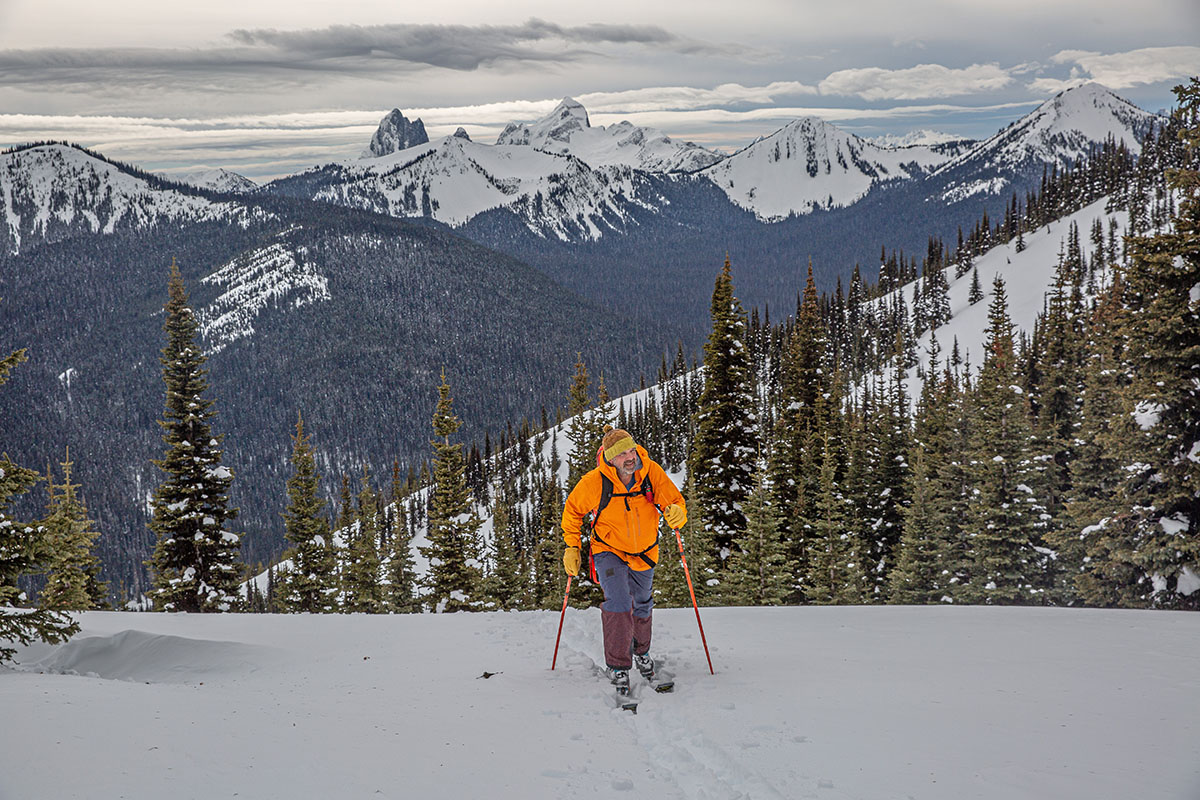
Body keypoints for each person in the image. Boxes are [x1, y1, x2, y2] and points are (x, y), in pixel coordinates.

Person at [561, 425, 686, 694]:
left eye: (632, 450)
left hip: (645, 550)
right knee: (618, 602)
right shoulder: (595, 481)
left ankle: (642, 654)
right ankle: (618, 667)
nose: (630, 457)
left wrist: (677, 513)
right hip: (609, 550)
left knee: (642, 602)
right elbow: (572, 511)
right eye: (622, 454)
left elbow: (674, 500)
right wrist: (572, 547)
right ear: (610, 458)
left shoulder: (650, 472)